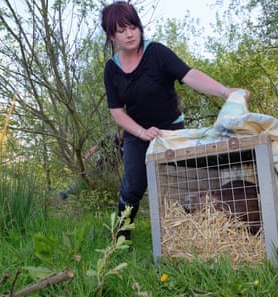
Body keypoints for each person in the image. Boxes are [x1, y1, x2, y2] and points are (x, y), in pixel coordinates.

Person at [100, 1, 250, 240]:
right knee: (133, 187)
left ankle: (187, 236)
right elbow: (117, 111)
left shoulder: (157, 52)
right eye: (121, 30)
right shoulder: (111, 69)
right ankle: (121, 240)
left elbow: (189, 75)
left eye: (133, 26)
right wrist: (141, 132)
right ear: (111, 35)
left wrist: (225, 91)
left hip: (171, 130)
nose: (129, 34)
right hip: (137, 135)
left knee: (181, 183)